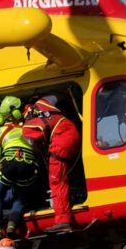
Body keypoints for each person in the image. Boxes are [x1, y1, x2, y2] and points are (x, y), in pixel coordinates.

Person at [22, 95, 81, 234]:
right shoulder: (43, 102)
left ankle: (63, 221)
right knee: (65, 174)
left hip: (60, 141)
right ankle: (73, 199)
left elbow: (33, 146)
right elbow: (56, 96)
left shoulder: (27, 127)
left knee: (56, 181)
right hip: (73, 132)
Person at [0, 97, 22, 242]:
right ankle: (12, 224)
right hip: (24, 164)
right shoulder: (20, 127)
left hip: (7, 167)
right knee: (20, 195)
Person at [0, 124, 43, 236]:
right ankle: (12, 223)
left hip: (8, 181)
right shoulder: (27, 131)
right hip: (20, 180)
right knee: (21, 199)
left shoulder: (2, 133)